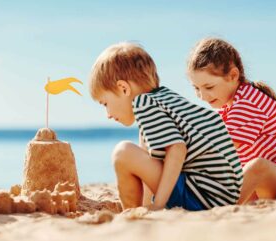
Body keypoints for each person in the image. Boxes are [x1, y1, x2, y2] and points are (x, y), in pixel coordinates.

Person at [89, 42, 243, 211]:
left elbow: (177, 149)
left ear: (123, 88)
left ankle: (129, 211)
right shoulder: (164, 98)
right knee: (142, 154)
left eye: (105, 103)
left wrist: (158, 204)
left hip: (203, 198)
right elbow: (153, 159)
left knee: (123, 152)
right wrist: (148, 205)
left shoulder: (143, 103)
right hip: (222, 196)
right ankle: (141, 208)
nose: (108, 114)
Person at [187, 37, 276, 204]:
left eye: (209, 87)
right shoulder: (229, 107)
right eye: (196, 88)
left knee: (258, 166)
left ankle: (222, 206)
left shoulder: (248, 102)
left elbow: (222, 149)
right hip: (271, 183)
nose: (202, 96)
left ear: (233, 75)